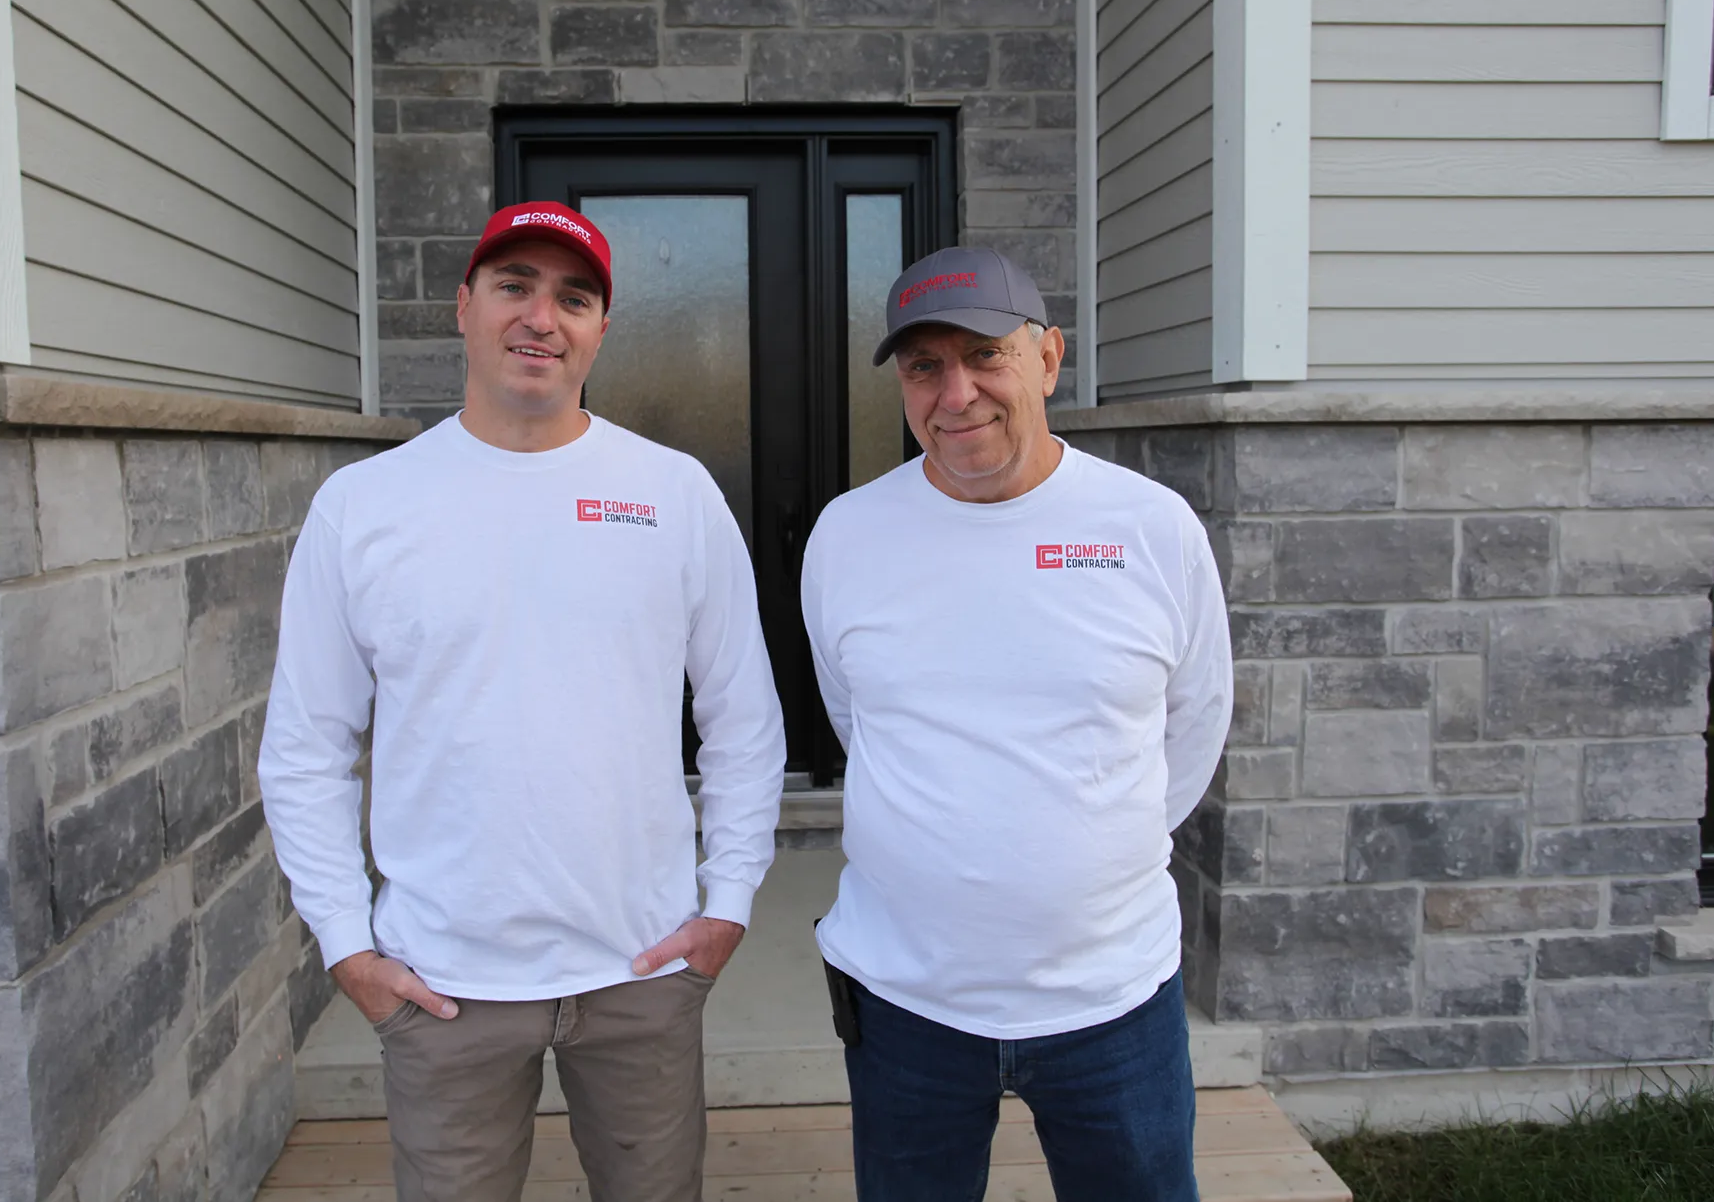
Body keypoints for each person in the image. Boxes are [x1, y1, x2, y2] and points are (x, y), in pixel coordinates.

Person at [258, 201, 787, 1202]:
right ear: (463, 308)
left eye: (572, 297)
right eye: (514, 286)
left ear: (599, 328)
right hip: (441, 980)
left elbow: (743, 721)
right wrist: (346, 942)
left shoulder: (672, 493)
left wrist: (727, 903)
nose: (541, 317)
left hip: (640, 969)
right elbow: (304, 746)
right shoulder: (365, 507)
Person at [800, 246, 1231, 1202]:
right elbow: (858, 714)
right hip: (909, 1003)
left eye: (985, 355)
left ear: (1048, 358)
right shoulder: (848, 535)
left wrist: (1088, 855)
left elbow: (1194, 723)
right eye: (925, 366)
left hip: (1112, 998)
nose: (956, 394)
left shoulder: (1150, 529)